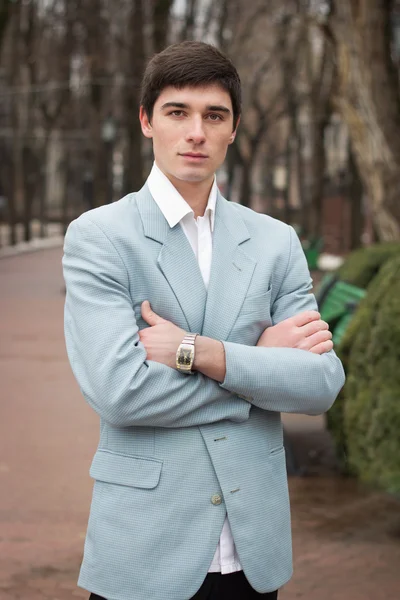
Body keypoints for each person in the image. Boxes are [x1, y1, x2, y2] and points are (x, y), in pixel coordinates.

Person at [62, 41, 345, 600]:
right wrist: (258, 370)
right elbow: (121, 393)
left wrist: (200, 353)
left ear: (233, 129)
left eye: (214, 116)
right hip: (145, 544)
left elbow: (320, 385)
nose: (196, 132)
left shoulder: (274, 241)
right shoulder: (100, 237)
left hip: (252, 548)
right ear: (147, 121)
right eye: (177, 113)